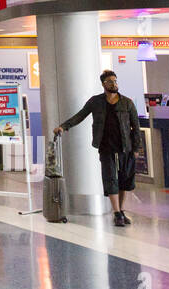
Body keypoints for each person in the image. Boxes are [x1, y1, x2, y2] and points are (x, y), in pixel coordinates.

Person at [54, 70, 143, 228]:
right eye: (110, 81)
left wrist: (136, 148)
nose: (114, 84)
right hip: (106, 146)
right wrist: (63, 126)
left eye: (115, 81)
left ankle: (121, 211)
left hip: (126, 147)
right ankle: (116, 213)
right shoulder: (96, 102)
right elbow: (80, 116)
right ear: (103, 84)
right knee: (110, 179)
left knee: (125, 180)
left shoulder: (127, 102)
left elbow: (136, 126)